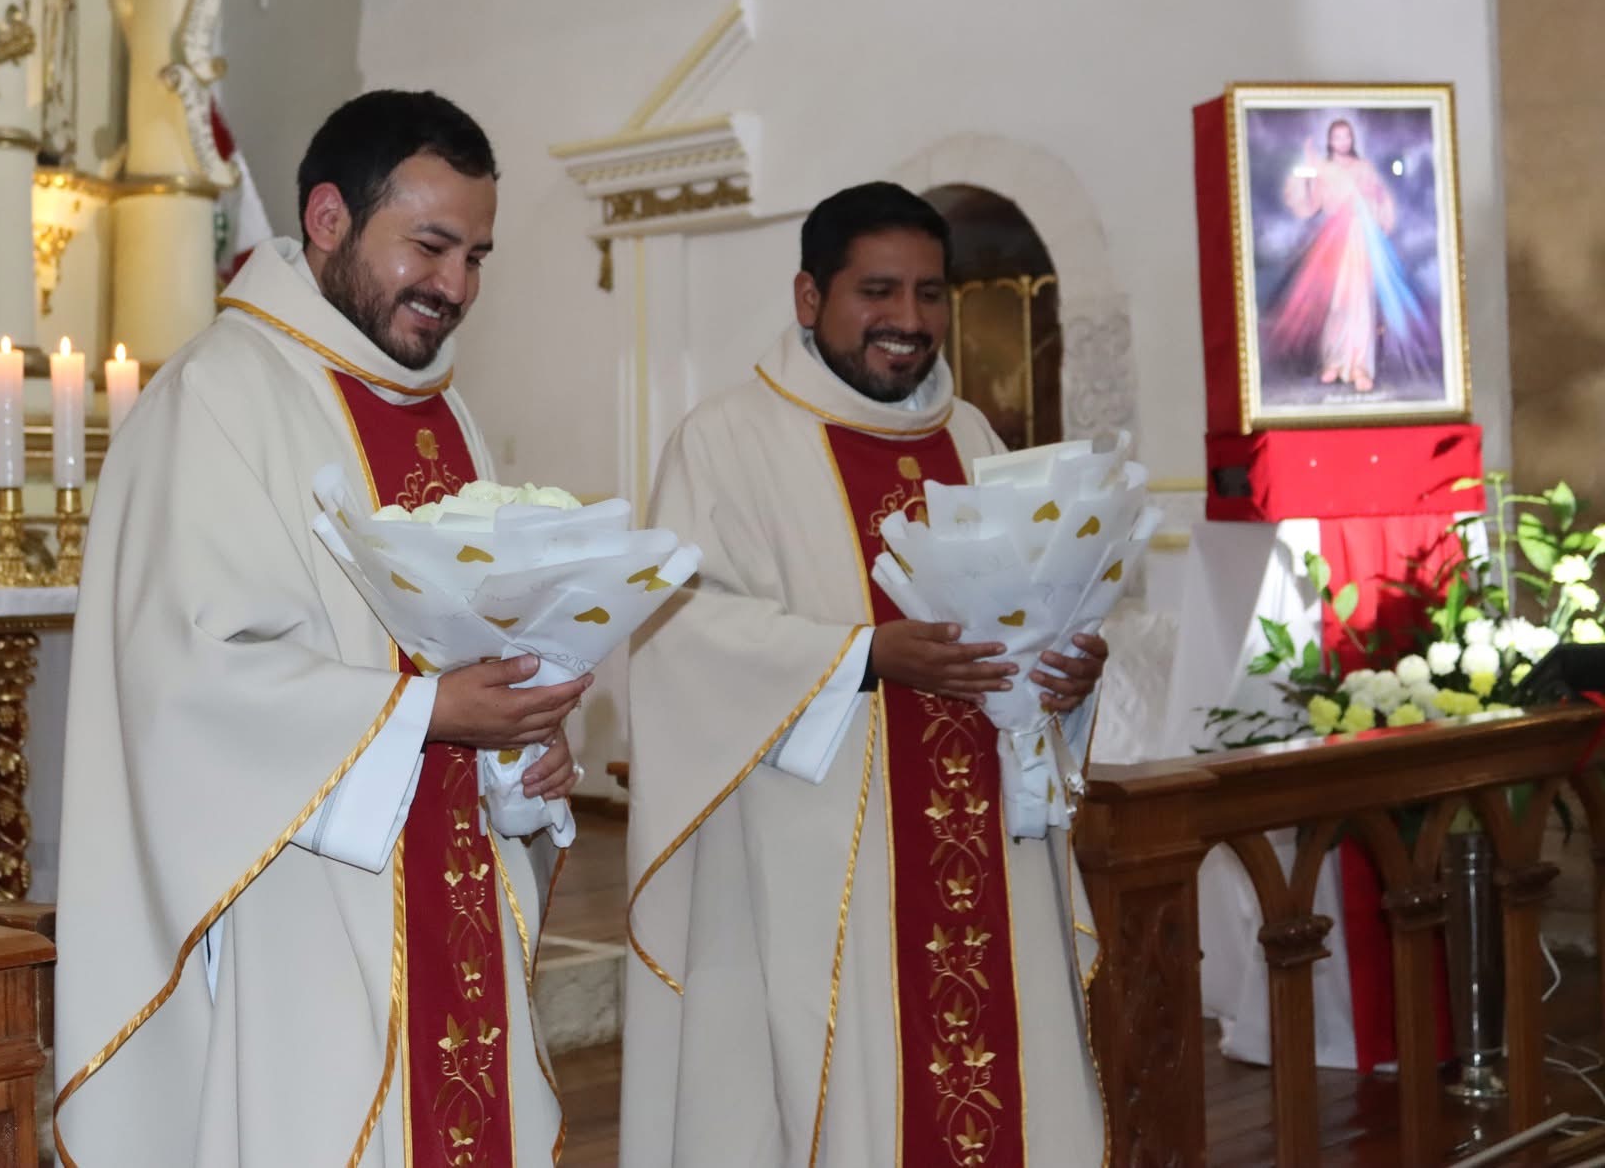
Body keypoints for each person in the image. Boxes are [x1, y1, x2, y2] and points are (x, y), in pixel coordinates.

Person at [54, 91, 585, 1167]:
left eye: (476, 256)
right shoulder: (219, 394)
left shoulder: (442, 410)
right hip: (297, 905)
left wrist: (521, 742)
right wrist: (430, 712)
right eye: (429, 246)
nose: (455, 287)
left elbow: (467, 638)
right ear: (330, 218)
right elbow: (187, 683)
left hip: (451, 882)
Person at [623, 182, 1109, 1166]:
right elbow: (680, 631)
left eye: (929, 293)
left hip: (984, 841)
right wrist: (861, 654)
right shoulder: (727, 440)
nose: (908, 320)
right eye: (876, 291)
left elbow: (1026, 603)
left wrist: (1064, 672)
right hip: (816, 858)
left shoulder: (970, 438)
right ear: (810, 297)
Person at [1268, 117, 1430, 394]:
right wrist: (1309, 172)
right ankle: (1334, 360)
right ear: (1330, 141)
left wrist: (1372, 203)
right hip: (1334, 241)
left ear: (1352, 139)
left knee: (1360, 301)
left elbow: (1381, 199)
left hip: (1360, 238)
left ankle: (1360, 366)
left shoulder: (1364, 167)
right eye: (1337, 137)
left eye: (1346, 136)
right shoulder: (1324, 168)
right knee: (1336, 302)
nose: (1342, 141)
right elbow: (1311, 205)